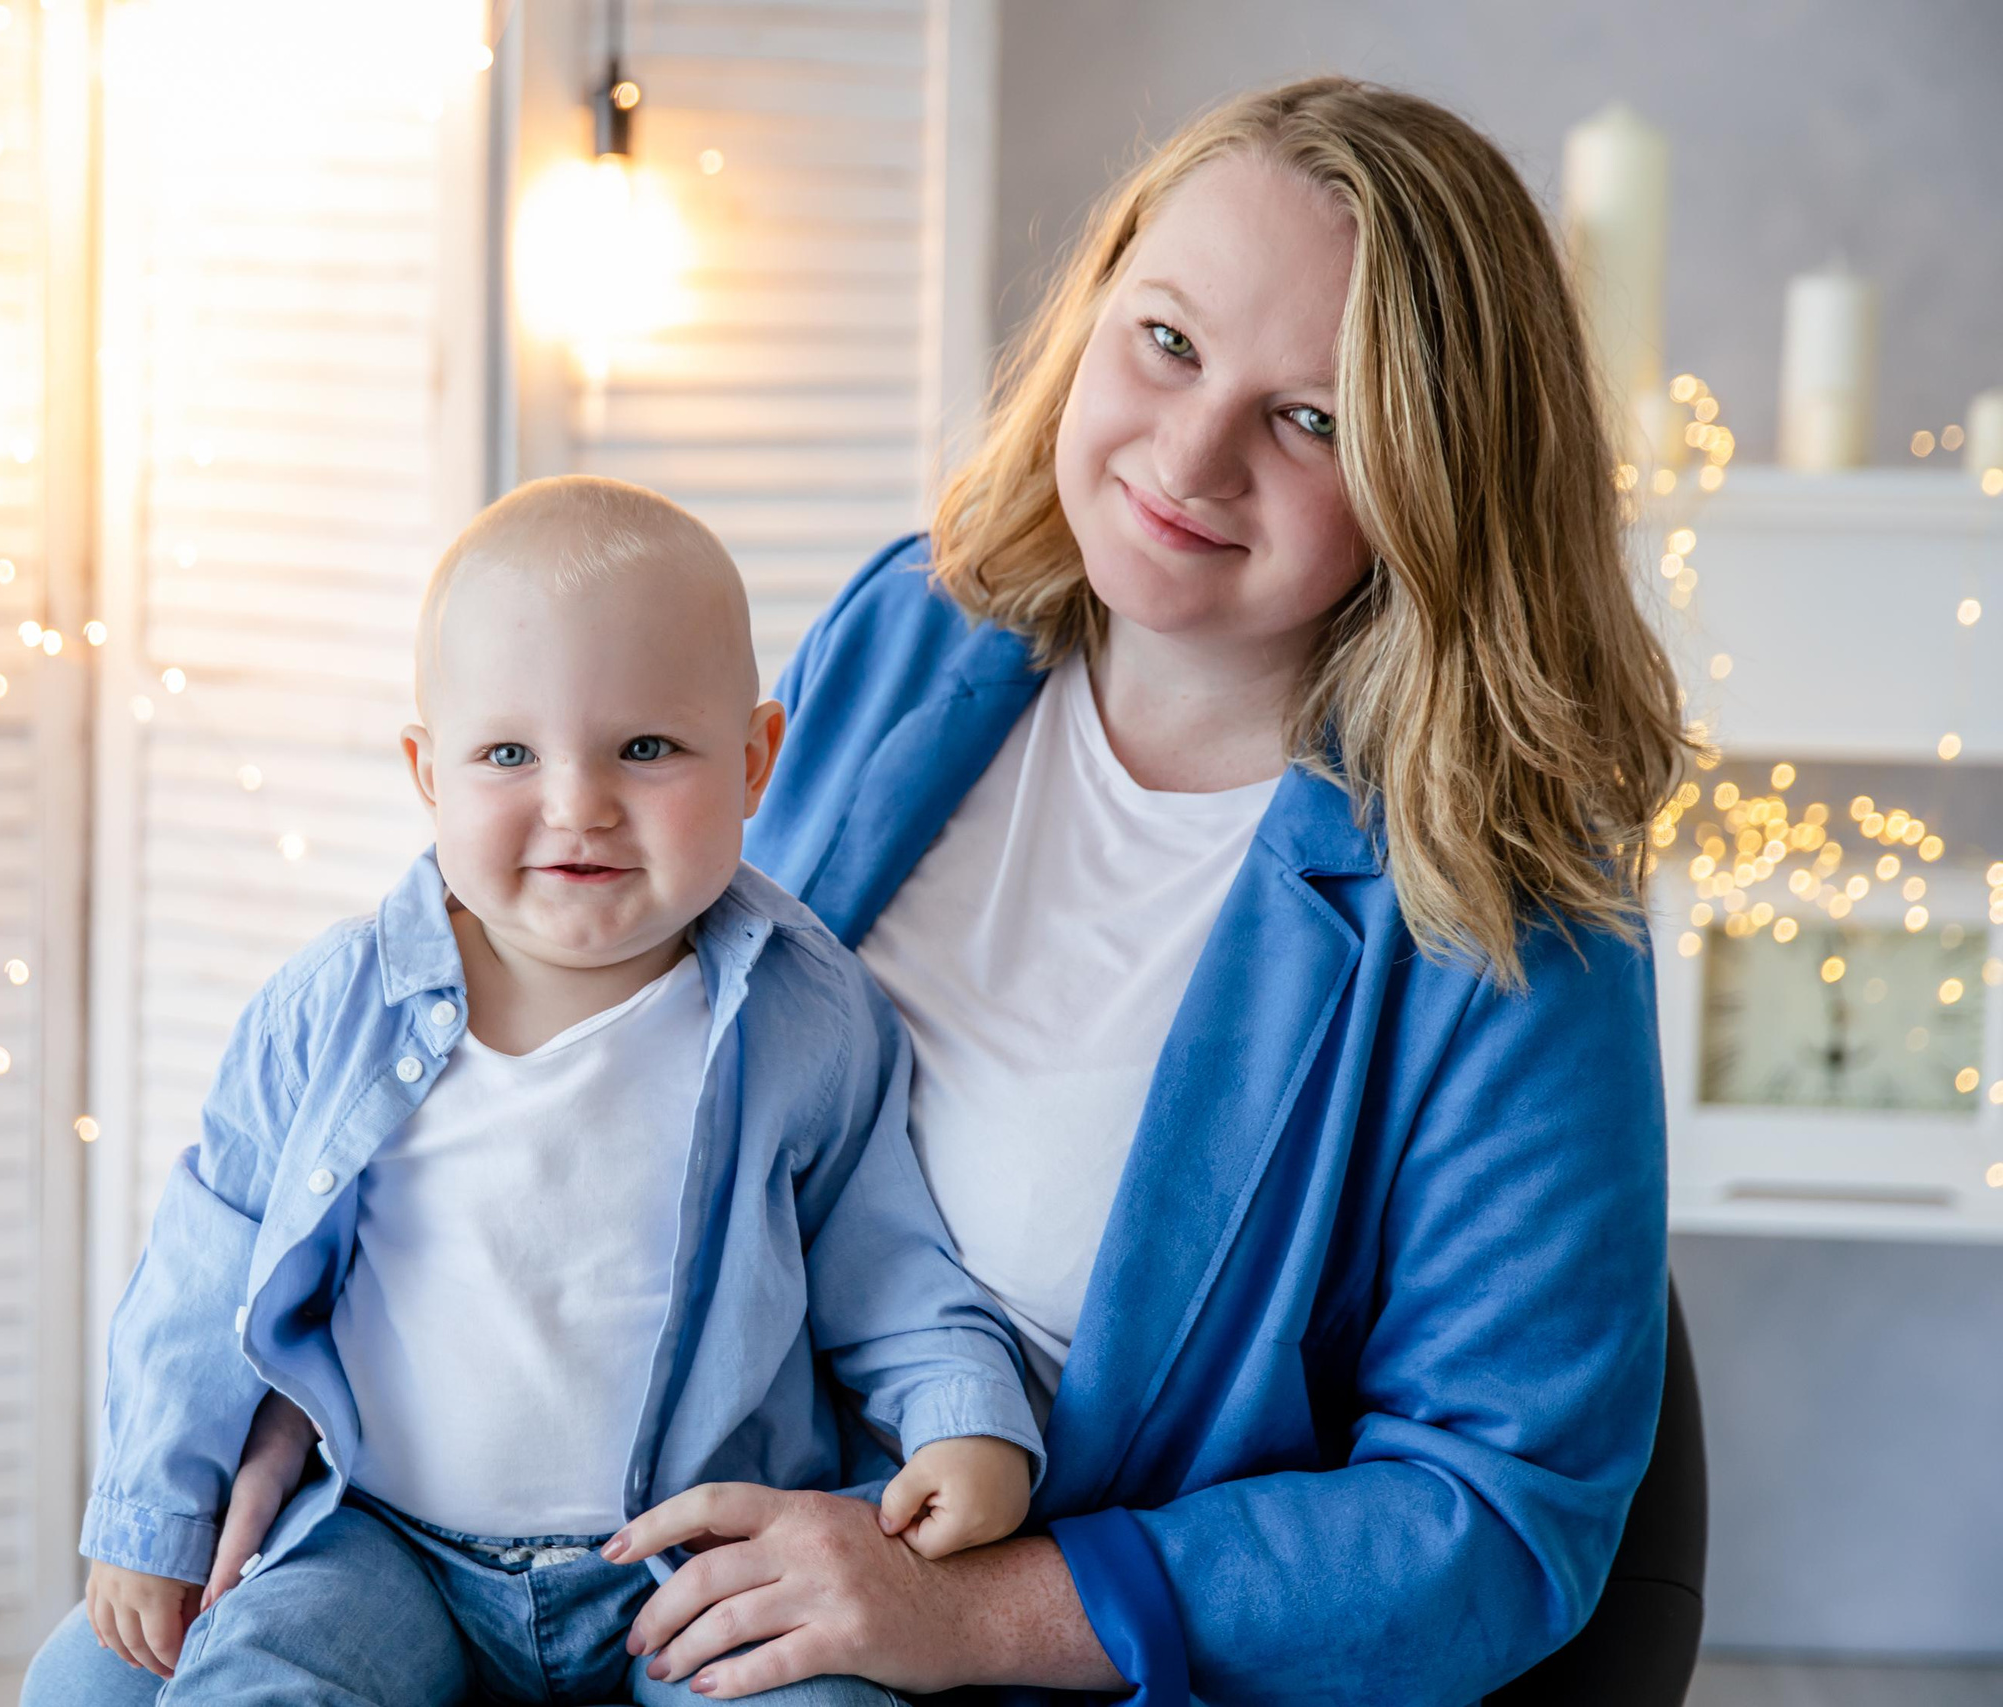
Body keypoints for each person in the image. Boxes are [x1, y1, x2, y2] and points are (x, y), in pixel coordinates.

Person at [594, 78, 1692, 1705]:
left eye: (1308, 419)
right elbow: (593, 1000)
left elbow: (1496, 1518)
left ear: (1431, 485)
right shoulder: (913, 624)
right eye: (1168, 342)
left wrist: (970, 1614)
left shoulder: (1508, 906)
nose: (1189, 455)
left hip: (965, 1648)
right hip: (623, 1498)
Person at [19, 475, 1043, 1707]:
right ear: (427, 771)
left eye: (647, 748)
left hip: (693, 1560)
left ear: (757, 759)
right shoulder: (336, 1010)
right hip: (386, 1541)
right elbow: (206, 1263)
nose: (579, 804)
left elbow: (884, 1260)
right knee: (263, 1673)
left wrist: (961, 1415)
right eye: (508, 752)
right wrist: (152, 1508)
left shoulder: (800, 1016)